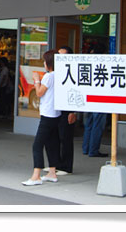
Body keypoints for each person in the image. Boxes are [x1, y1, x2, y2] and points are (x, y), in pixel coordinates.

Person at [22, 50, 61, 186]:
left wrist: (37, 80)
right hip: (56, 113)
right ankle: (52, 172)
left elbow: (39, 93)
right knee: (51, 143)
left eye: (45, 61)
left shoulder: (48, 77)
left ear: (48, 63)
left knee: (37, 145)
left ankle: (36, 175)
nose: (43, 63)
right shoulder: (59, 75)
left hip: (47, 114)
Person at [55, 46, 77, 174]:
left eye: (63, 56)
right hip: (55, 108)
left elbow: (76, 92)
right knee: (55, 137)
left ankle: (66, 166)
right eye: (58, 55)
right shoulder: (55, 71)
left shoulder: (73, 71)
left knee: (66, 138)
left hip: (67, 108)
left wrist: (73, 111)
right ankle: (57, 164)